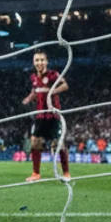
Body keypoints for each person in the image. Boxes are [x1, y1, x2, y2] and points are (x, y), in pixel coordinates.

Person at [22, 51, 71, 182]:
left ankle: (66, 173)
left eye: (42, 60)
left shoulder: (53, 75)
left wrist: (51, 92)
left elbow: (65, 85)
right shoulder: (33, 77)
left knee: (59, 144)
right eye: (37, 60)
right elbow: (35, 91)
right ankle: (36, 173)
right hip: (40, 115)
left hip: (53, 115)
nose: (39, 63)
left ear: (46, 61)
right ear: (34, 62)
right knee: (35, 142)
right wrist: (28, 98)